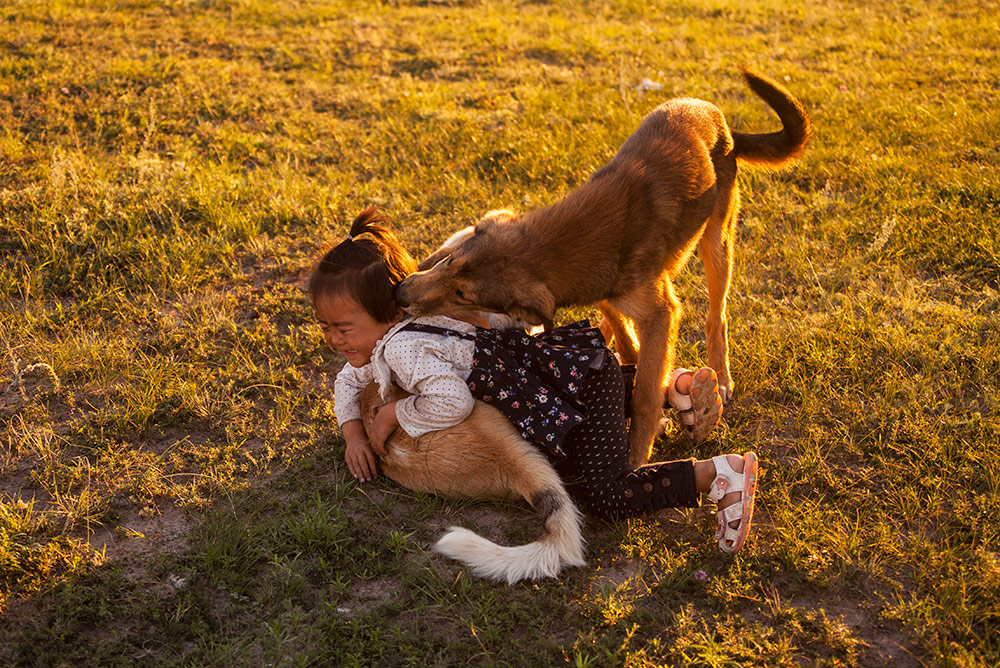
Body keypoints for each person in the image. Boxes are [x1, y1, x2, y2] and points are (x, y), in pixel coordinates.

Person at [310, 207, 758, 554]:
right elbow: (350, 382)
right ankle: (671, 389)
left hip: (576, 383)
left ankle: (719, 475)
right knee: (569, 405)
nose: (332, 339)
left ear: (385, 315)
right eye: (325, 326)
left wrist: (394, 411)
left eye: (342, 328)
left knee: (606, 494)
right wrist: (353, 434)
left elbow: (452, 402)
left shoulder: (402, 350)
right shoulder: (400, 331)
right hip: (566, 371)